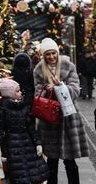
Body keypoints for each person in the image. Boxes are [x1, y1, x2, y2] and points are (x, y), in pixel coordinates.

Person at [33, 38, 89, 184]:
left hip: (68, 118)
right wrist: (47, 90)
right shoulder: (39, 69)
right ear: (42, 55)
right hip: (49, 120)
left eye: (53, 53)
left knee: (70, 161)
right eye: (47, 54)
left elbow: (75, 90)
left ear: (57, 52)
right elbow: (37, 93)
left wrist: (60, 86)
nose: (51, 57)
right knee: (51, 161)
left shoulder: (68, 65)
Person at [0, 77, 48, 184]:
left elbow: (31, 126)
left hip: (28, 144)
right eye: (17, 91)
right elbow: (0, 130)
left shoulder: (23, 106)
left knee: (36, 174)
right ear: (9, 94)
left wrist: (38, 143)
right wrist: (2, 150)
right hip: (13, 147)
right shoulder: (4, 109)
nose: (20, 92)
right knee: (20, 175)